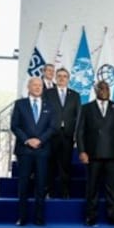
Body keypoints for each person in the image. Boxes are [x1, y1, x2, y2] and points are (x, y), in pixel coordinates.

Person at [76, 81, 114, 226]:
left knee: (112, 187)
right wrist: (82, 151)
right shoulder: (86, 108)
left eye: (107, 88)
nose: (105, 91)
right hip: (93, 154)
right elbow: (79, 132)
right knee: (92, 187)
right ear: (95, 90)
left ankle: (113, 215)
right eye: (101, 88)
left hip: (113, 154)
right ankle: (91, 216)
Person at [11, 77, 56, 226]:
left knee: (41, 184)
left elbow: (52, 127)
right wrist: (27, 140)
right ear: (29, 87)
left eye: (40, 86)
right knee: (23, 184)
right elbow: (15, 126)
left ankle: (39, 218)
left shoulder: (49, 105)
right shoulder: (20, 104)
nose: (38, 87)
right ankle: (22, 217)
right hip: (24, 150)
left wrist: (40, 140)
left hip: (42, 150)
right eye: (35, 85)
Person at [43, 68, 80, 198]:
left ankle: (65, 191)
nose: (62, 78)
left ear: (68, 79)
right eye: (59, 76)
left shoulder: (75, 95)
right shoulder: (48, 93)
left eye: (65, 76)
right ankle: (51, 191)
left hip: (68, 135)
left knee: (66, 164)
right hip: (51, 134)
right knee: (51, 163)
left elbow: (78, 115)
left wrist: (76, 134)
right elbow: (44, 114)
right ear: (56, 78)